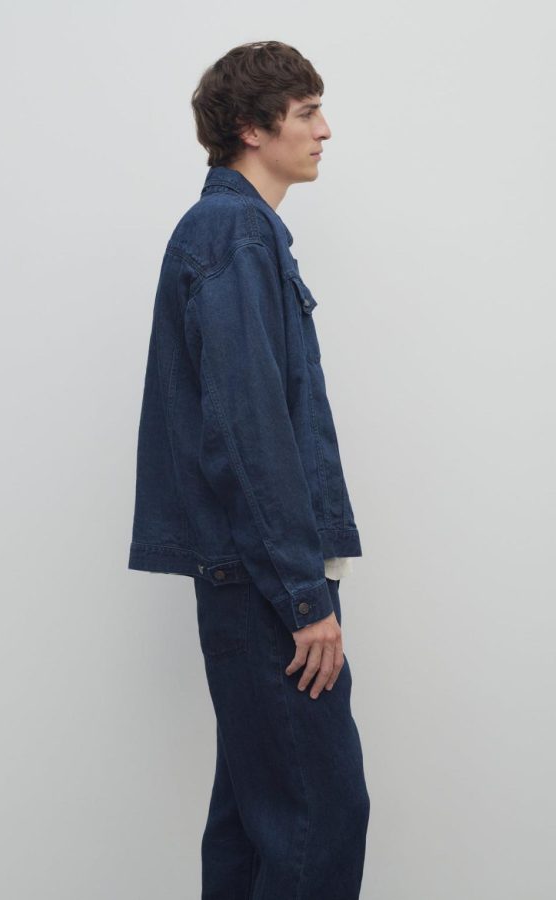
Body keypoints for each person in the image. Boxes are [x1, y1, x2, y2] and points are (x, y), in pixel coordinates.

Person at [128, 40, 370, 899]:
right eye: (306, 112)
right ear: (250, 128)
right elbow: (247, 426)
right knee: (318, 821)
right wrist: (304, 598)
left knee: (255, 827)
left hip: (251, 572)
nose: (325, 130)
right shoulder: (232, 232)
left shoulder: (241, 233)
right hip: (266, 583)